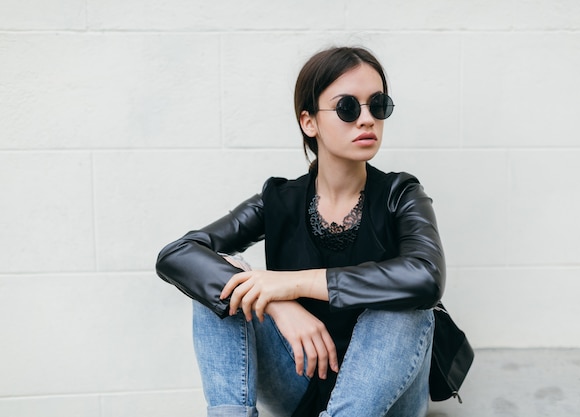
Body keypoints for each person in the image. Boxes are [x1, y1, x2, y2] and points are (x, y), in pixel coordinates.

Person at [156, 46, 446, 417]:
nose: (367, 119)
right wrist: (278, 304)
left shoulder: (399, 195)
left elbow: (426, 276)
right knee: (222, 279)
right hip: (302, 378)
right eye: (348, 108)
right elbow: (177, 254)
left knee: (407, 306)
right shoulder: (280, 200)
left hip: (386, 399)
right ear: (309, 122)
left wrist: (291, 284)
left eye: (378, 105)